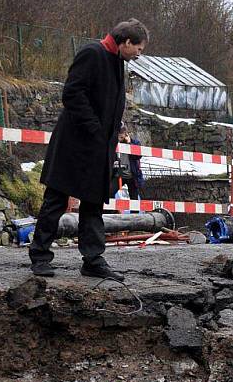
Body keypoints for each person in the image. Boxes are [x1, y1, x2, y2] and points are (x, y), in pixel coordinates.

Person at [29, 19, 149, 280]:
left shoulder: (118, 61)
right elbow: (72, 93)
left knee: (94, 203)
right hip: (74, 144)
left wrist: (113, 130)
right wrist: (95, 128)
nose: (140, 54)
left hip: (98, 147)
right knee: (55, 201)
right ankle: (40, 256)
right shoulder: (92, 53)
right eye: (138, 48)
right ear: (126, 42)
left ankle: (93, 259)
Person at [110, 123, 144, 209]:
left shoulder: (135, 142)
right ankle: (112, 212)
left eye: (121, 137)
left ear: (126, 134)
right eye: (118, 137)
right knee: (109, 192)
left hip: (132, 175)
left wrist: (129, 144)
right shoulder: (115, 143)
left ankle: (135, 218)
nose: (119, 139)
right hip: (119, 174)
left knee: (134, 199)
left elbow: (138, 156)